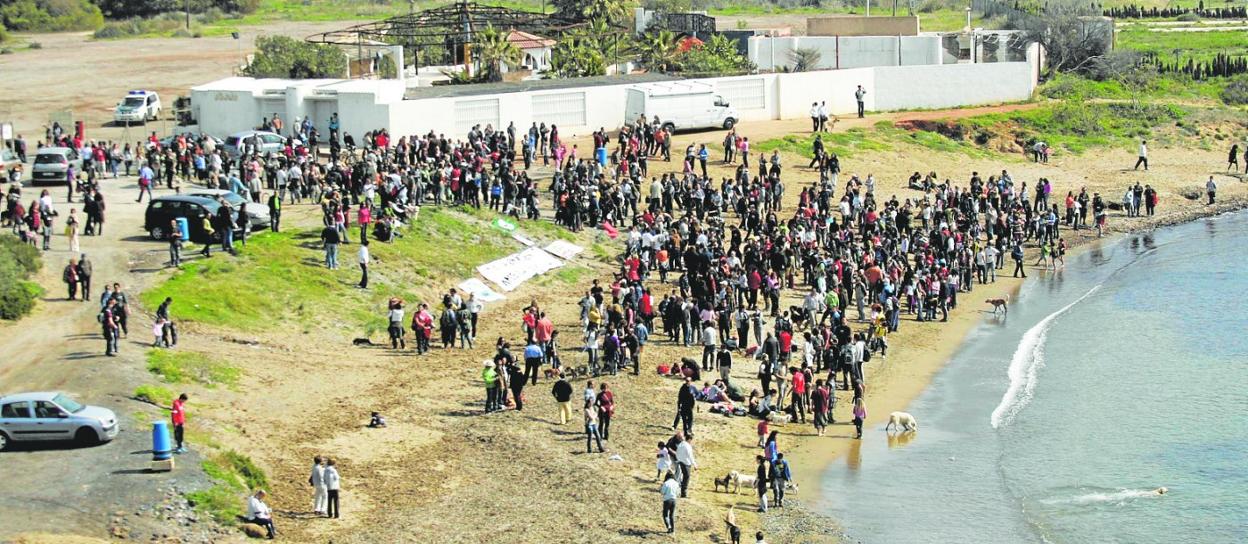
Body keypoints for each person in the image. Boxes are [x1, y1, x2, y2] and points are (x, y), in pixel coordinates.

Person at [674, 433, 696, 497]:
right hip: (686, 463)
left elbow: (677, 452)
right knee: (686, 477)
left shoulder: (681, 444)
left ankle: (682, 491)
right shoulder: (687, 446)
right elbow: (690, 456)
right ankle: (683, 493)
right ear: (689, 439)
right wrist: (694, 464)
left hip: (681, 462)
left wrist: (679, 460)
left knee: (684, 476)